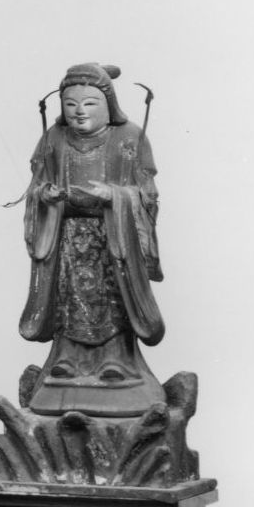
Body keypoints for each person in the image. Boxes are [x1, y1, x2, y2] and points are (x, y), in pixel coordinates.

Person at [19, 63, 165, 416]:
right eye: (70, 105)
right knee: (68, 301)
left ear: (108, 105)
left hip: (112, 239)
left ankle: (117, 363)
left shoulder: (129, 137)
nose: (79, 112)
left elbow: (147, 194)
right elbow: (36, 185)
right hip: (66, 236)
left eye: (89, 104)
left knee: (112, 300)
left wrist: (115, 195)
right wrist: (45, 195)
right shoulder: (54, 139)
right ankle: (66, 363)